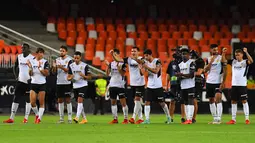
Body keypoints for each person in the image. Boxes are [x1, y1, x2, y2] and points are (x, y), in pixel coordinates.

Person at [134, 49, 171, 124]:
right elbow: (142, 74)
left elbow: (156, 71)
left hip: (158, 86)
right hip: (149, 86)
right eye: (144, 56)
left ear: (150, 55)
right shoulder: (146, 63)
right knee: (147, 102)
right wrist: (140, 67)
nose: (145, 57)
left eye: (147, 55)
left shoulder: (157, 61)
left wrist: (146, 67)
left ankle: (168, 117)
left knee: (162, 103)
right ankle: (147, 119)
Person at [111, 47, 145, 124]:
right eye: (132, 51)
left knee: (137, 99)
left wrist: (134, 58)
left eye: (135, 51)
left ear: (138, 52)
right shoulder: (129, 59)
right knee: (137, 101)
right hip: (132, 83)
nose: (133, 52)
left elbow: (141, 62)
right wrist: (113, 54)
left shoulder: (141, 58)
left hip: (140, 83)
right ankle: (140, 118)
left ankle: (133, 117)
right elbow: (118, 60)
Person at [3, 44, 34, 124]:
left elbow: (35, 69)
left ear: (28, 49)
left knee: (28, 100)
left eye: (24, 48)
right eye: (22, 48)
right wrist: (16, 76)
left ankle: (26, 118)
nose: (22, 49)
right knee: (15, 98)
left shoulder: (32, 58)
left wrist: (32, 78)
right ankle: (11, 118)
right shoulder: (19, 56)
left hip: (28, 82)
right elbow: (15, 66)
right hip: (20, 81)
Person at [226, 48, 253, 124]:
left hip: (242, 85)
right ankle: (233, 119)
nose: (237, 56)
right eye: (236, 55)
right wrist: (224, 53)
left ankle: (247, 119)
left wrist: (246, 52)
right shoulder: (233, 62)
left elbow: (251, 61)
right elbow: (224, 61)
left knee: (244, 101)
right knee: (233, 101)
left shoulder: (245, 62)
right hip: (234, 85)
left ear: (242, 55)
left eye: (238, 55)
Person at [204, 44, 227, 124]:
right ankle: (214, 118)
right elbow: (205, 70)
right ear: (211, 50)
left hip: (218, 82)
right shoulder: (208, 59)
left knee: (218, 99)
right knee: (211, 100)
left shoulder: (221, 58)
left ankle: (219, 119)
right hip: (209, 82)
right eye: (214, 50)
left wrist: (223, 82)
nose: (216, 51)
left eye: (217, 50)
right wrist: (211, 61)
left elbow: (225, 70)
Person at [67, 51, 91, 124]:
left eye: (77, 58)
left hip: (83, 85)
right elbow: (68, 77)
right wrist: (70, 78)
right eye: (75, 58)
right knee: (79, 103)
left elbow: (89, 77)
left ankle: (77, 117)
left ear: (80, 58)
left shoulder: (85, 66)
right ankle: (84, 118)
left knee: (80, 100)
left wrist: (83, 76)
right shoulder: (71, 66)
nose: (76, 59)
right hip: (75, 85)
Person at [106, 48, 129, 124]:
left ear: (118, 54)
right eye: (113, 55)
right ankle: (115, 119)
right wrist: (107, 67)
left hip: (120, 85)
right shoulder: (111, 63)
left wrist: (118, 68)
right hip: (112, 85)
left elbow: (123, 74)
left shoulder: (122, 63)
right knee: (113, 102)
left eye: (115, 54)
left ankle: (126, 119)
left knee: (123, 103)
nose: (113, 56)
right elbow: (107, 74)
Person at [27, 48, 49, 124]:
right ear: (37, 53)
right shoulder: (32, 61)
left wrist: (40, 68)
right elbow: (30, 74)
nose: (41, 54)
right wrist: (30, 68)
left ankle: (39, 118)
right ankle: (37, 114)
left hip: (42, 83)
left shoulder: (45, 62)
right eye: (40, 53)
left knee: (41, 102)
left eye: (42, 53)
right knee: (32, 102)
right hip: (34, 83)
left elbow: (46, 73)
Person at [52, 46, 73, 124]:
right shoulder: (56, 60)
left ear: (66, 52)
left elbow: (69, 70)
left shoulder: (69, 60)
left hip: (67, 82)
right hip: (59, 82)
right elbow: (54, 72)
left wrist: (61, 67)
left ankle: (70, 118)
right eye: (60, 51)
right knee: (60, 100)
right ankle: (61, 118)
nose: (61, 52)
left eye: (63, 51)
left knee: (68, 100)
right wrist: (54, 67)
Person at [176, 47, 196, 124]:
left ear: (188, 55)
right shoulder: (180, 64)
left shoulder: (191, 63)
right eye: (182, 54)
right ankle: (188, 119)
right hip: (183, 86)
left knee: (190, 100)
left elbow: (191, 75)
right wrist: (179, 76)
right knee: (186, 102)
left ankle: (189, 119)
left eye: (185, 54)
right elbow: (178, 75)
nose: (183, 55)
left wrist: (181, 75)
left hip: (190, 85)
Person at [166, 50, 186, 123]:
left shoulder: (183, 63)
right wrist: (166, 84)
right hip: (173, 84)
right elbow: (168, 74)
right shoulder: (171, 63)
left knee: (182, 101)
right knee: (172, 101)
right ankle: (170, 117)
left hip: (182, 83)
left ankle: (183, 117)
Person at [190, 50, 205, 123]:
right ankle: (190, 117)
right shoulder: (189, 62)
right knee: (190, 100)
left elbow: (199, 73)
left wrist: (189, 74)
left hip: (198, 81)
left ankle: (193, 118)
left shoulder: (200, 61)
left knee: (194, 100)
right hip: (191, 81)